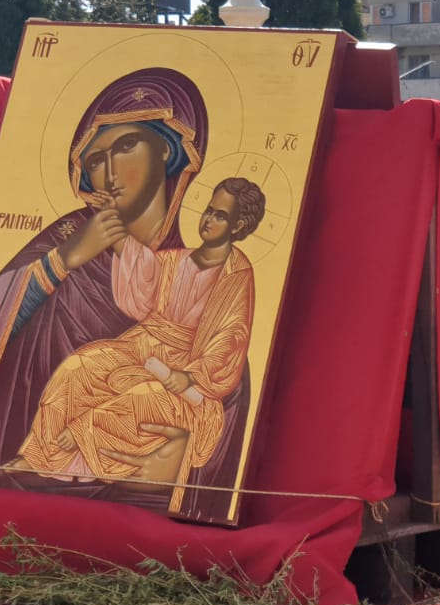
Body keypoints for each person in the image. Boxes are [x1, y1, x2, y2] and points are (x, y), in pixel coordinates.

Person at [0, 68, 252, 520]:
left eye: (126, 145)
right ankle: (45, 453)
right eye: (95, 160)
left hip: (140, 502)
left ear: (168, 148)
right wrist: (63, 261)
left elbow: (228, 371)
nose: (109, 173)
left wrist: (185, 459)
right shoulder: (66, 238)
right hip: (10, 493)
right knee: (80, 368)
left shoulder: (205, 267)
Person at [16, 179, 263, 500]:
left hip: (188, 374)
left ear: (238, 226)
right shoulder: (176, 260)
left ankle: (77, 449)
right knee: (80, 366)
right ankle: (40, 455)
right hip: (142, 347)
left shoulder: (235, 275)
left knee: (142, 397)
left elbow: (232, 337)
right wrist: (113, 220)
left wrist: (189, 376)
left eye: (220, 216)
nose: (208, 220)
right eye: (208, 210)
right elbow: (143, 273)